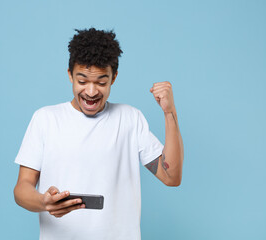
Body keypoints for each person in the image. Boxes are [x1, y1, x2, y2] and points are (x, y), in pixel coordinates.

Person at [13, 28, 184, 240]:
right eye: (82, 81)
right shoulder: (45, 119)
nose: (91, 92)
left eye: (101, 82)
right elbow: (22, 188)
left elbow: (171, 177)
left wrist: (169, 112)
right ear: (70, 75)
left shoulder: (130, 118)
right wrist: (44, 202)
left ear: (114, 78)